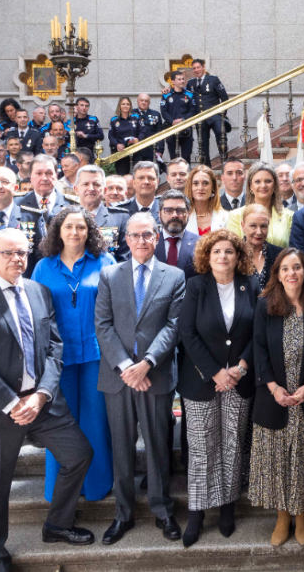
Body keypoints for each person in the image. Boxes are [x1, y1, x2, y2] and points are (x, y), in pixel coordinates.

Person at [0, 228, 95, 570]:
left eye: (22, 252)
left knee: (79, 455)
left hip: (42, 403)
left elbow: (54, 347)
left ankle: (57, 525)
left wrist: (42, 395)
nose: (17, 259)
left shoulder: (38, 291)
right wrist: (12, 402)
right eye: (9, 253)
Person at [96, 213, 186, 545]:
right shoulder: (109, 275)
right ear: (126, 240)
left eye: (147, 234)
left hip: (156, 375)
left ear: (157, 237)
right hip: (118, 379)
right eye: (134, 235)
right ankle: (123, 514)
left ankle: (163, 511)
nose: (141, 241)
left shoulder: (174, 276)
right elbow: (102, 325)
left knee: (158, 447)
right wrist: (126, 367)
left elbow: (174, 325)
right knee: (121, 448)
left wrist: (146, 363)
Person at [177, 229, 260, 547]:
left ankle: (227, 506)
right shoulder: (196, 286)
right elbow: (187, 331)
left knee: (232, 446)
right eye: (217, 252)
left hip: (240, 381)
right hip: (200, 381)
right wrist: (215, 373)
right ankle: (197, 513)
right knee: (201, 450)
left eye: (229, 251)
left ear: (239, 256)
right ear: (206, 257)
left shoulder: (250, 285)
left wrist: (240, 368)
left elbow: (259, 331)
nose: (223, 257)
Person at [249, 247, 304, 546]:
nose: (291, 273)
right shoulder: (265, 305)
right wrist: (273, 388)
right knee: (276, 461)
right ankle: (282, 515)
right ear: (277, 274)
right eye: (285, 268)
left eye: (297, 267)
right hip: (276, 398)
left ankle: (302, 516)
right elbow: (258, 349)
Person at [32, 206, 116, 504]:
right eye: (68, 227)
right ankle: (61, 489)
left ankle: (97, 484)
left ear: (89, 231)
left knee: (95, 420)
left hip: (96, 355)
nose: (75, 232)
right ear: (58, 231)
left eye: (81, 227)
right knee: (62, 424)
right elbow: (35, 313)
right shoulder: (44, 267)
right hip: (57, 358)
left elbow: (115, 308)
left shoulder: (105, 261)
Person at [0, 167, 48, 277]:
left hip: (22, 284)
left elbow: (42, 257)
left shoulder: (32, 217)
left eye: (5, 181)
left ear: (15, 188)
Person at [226, 162, 294, 247]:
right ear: (251, 186)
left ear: (274, 186)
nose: (263, 185)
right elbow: (233, 249)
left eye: (268, 181)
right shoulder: (235, 216)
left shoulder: (289, 216)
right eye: (257, 181)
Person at [74, 165, 130, 260]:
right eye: (85, 184)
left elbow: (125, 258)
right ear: (76, 189)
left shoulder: (120, 218)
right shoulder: (65, 217)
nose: (91, 188)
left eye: (96, 184)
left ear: (104, 190)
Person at [187, 59, 229, 163]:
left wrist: (222, 115)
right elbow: (185, 97)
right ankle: (206, 168)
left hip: (215, 115)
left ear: (203, 67)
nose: (196, 70)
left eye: (198, 67)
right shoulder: (191, 83)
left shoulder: (213, 80)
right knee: (203, 145)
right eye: (194, 68)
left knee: (221, 135)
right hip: (200, 118)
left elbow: (225, 99)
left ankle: (225, 161)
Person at [154, 190, 199, 278]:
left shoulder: (200, 244)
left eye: (180, 210)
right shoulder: (149, 243)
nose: (174, 215)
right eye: (168, 210)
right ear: (159, 215)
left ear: (188, 214)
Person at [242, 203, 283, 289]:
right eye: (253, 226)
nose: (259, 232)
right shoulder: (234, 254)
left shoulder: (280, 255)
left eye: (263, 226)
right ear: (243, 226)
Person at [160, 70, 197, 161]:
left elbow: (193, 111)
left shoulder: (189, 95)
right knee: (173, 158)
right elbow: (164, 112)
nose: (182, 81)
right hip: (171, 129)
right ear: (173, 82)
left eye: (183, 79)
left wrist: (182, 119)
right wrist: (172, 121)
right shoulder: (166, 95)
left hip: (186, 130)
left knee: (186, 157)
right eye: (179, 79)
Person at [185, 165, 228, 236]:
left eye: (205, 183)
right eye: (195, 183)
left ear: (213, 187)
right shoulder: (183, 217)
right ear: (190, 187)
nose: (200, 188)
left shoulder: (225, 218)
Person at [130, 93, 165, 165]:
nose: (143, 102)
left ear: (149, 102)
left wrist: (160, 150)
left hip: (151, 149)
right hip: (135, 149)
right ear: (137, 101)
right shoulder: (131, 113)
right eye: (141, 100)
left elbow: (160, 133)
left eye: (146, 101)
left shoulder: (156, 114)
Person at [109, 97, 140, 176]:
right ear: (119, 105)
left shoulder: (136, 118)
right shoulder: (114, 120)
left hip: (135, 150)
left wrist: (137, 139)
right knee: (122, 175)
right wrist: (117, 144)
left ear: (130, 106)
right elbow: (111, 136)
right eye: (123, 104)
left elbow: (143, 131)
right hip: (121, 151)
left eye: (127, 104)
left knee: (137, 174)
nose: (125, 106)